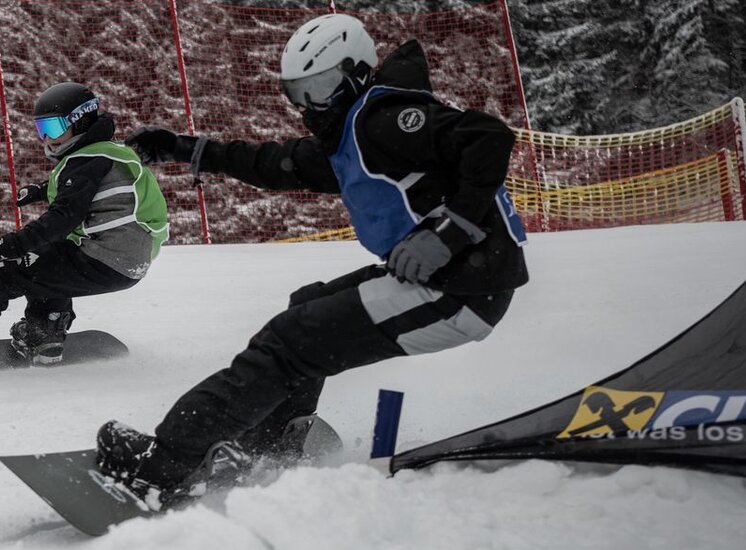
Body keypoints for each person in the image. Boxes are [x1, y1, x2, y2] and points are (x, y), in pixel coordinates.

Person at [99, 13, 530, 507]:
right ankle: (272, 445)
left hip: (459, 291)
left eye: (321, 88)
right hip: (447, 282)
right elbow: (272, 163)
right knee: (306, 308)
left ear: (355, 73)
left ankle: (162, 468)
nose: (311, 106)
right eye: (298, 93)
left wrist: (450, 231)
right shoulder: (352, 133)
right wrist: (183, 147)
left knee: (288, 342)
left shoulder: (384, 120)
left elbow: (488, 137)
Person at [0, 82, 168, 371]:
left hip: (103, 257)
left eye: (54, 129)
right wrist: (44, 190)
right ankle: (44, 334)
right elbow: (89, 190)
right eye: (41, 129)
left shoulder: (86, 160)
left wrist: (2, 248)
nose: (47, 139)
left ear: (80, 122)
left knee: (5, 269)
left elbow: (62, 217)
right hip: (128, 262)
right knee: (49, 259)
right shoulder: (110, 153)